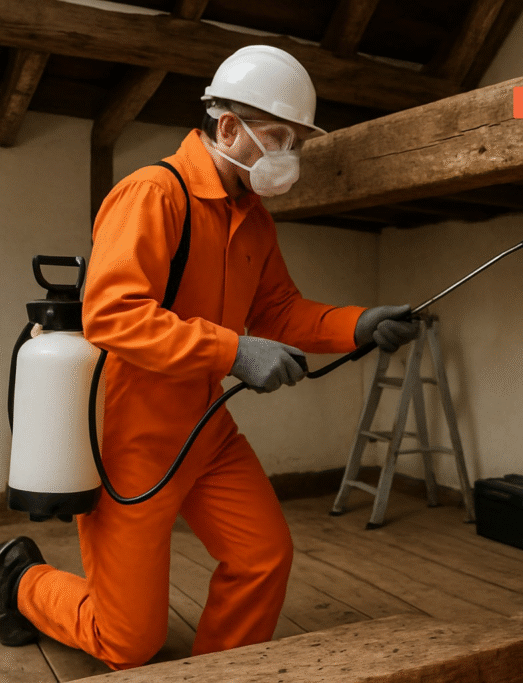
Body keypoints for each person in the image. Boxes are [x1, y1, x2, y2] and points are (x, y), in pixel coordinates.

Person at [0, 45, 419, 669]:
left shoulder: (254, 218)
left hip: (205, 429)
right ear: (229, 127)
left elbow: (278, 312)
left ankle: (222, 670)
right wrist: (233, 350)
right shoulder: (152, 194)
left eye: (296, 143)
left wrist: (360, 324)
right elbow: (112, 315)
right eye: (279, 138)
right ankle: (19, 582)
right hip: (131, 438)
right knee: (128, 643)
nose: (289, 157)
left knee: (262, 555)